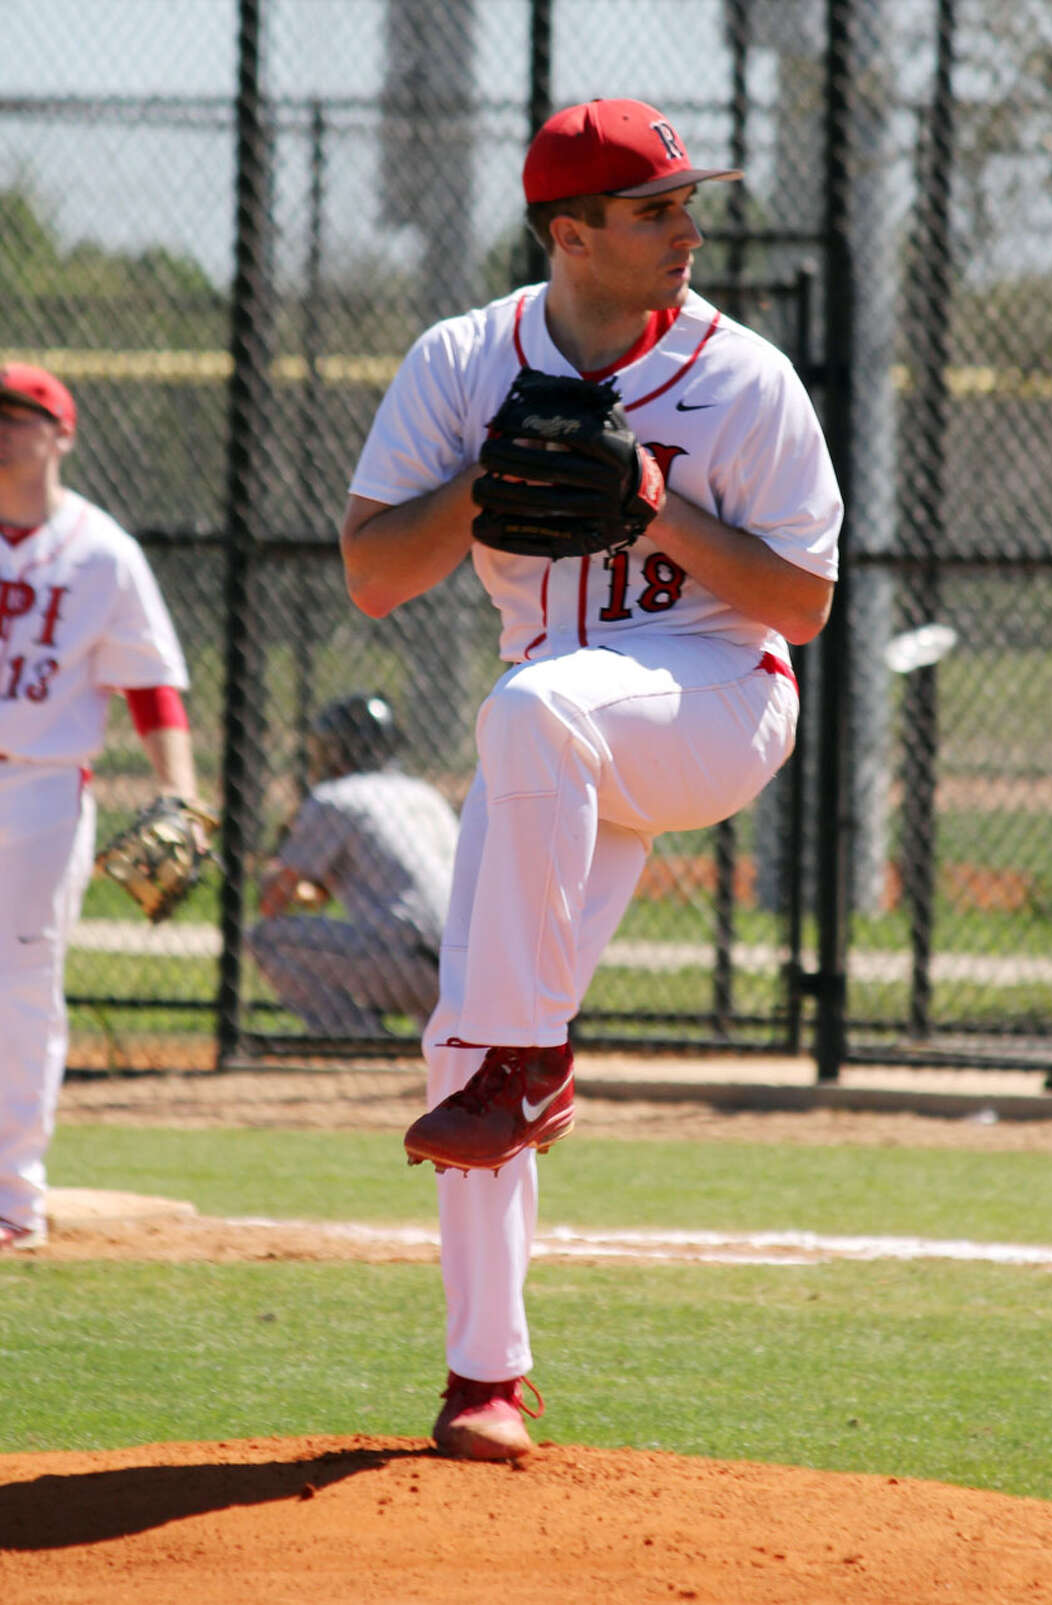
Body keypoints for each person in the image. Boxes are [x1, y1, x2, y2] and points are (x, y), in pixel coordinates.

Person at [339, 98, 842, 1459]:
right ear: (570, 231)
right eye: (655, 208)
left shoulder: (745, 380)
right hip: (547, 743)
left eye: (687, 203)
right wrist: (484, 488)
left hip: (712, 699)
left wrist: (655, 503)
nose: (688, 228)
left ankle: (530, 1060)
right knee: (465, 1034)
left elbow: (802, 603)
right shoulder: (461, 360)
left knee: (536, 707)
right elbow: (378, 574)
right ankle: (483, 1380)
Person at [0, 362, 204, 1251]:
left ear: (62, 433)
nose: (5, 428)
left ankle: (12, 1197)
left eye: (21, 414)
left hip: (41, 787)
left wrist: (180, 792)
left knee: (23, 990)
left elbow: (152, 687)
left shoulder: (102, 550)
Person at [247, 691, 459, 1037]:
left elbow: (272, 902)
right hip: (469, 976)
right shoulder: (425, 795)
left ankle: (357, 1036)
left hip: (405, 967)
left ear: (342, 750)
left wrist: (274, 862)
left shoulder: (337, 797)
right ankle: (438, 1038)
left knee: (263, 938)